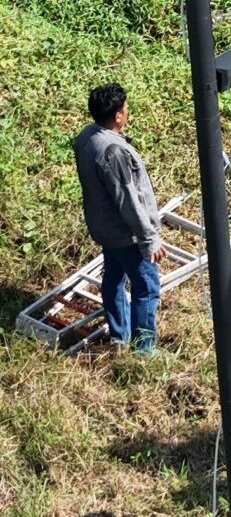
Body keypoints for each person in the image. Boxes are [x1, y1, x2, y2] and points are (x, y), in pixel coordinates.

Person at [73, 84, 162, 354]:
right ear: (118, 116)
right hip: (125, 234)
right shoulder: (113, 151)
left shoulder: (86, 137)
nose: (127, 111)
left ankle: (119, 336)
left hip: (104, 228)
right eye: (126, 108)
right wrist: (149, 239)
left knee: (113, 279)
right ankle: (143, 349)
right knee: (146, 288)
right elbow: (129, 200)